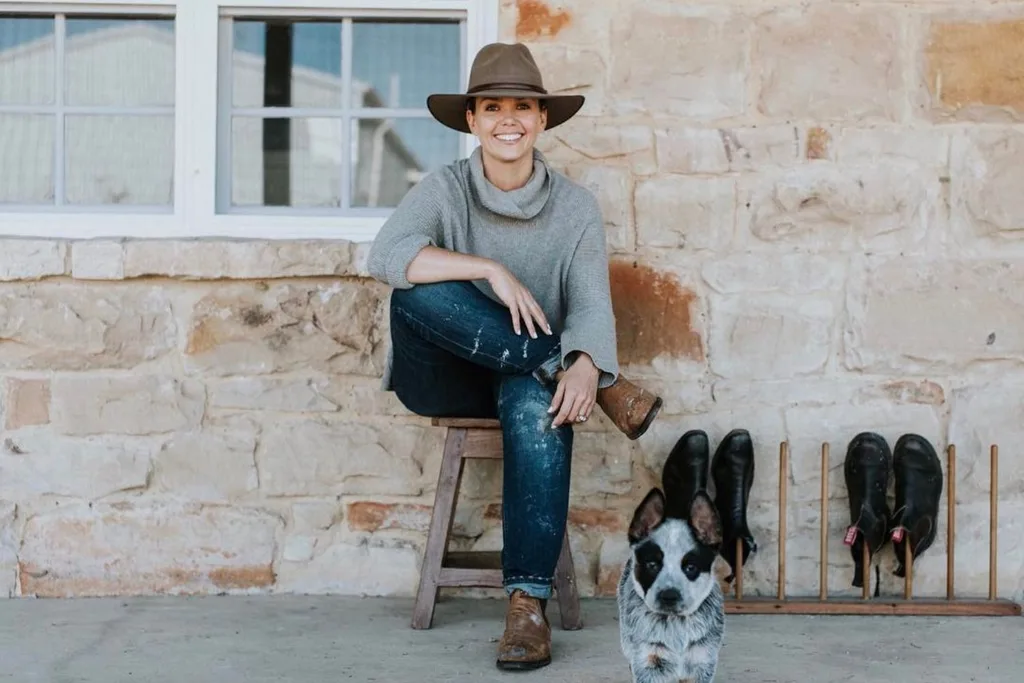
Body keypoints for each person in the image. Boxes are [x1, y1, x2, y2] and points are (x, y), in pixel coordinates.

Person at [366, 42, 663, 671]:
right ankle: (562, 365)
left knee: (537, 400)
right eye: (493, 106)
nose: (509, 119)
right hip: (446, 376)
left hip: (525, 377)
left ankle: (527, 608)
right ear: (471, 120)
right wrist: (488, 269)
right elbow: (387, 254)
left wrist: (584, 362)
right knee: (416, 294)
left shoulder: (576, 208)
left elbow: (589, 302)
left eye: (523, 107)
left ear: (542, 119)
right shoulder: (445, 188)